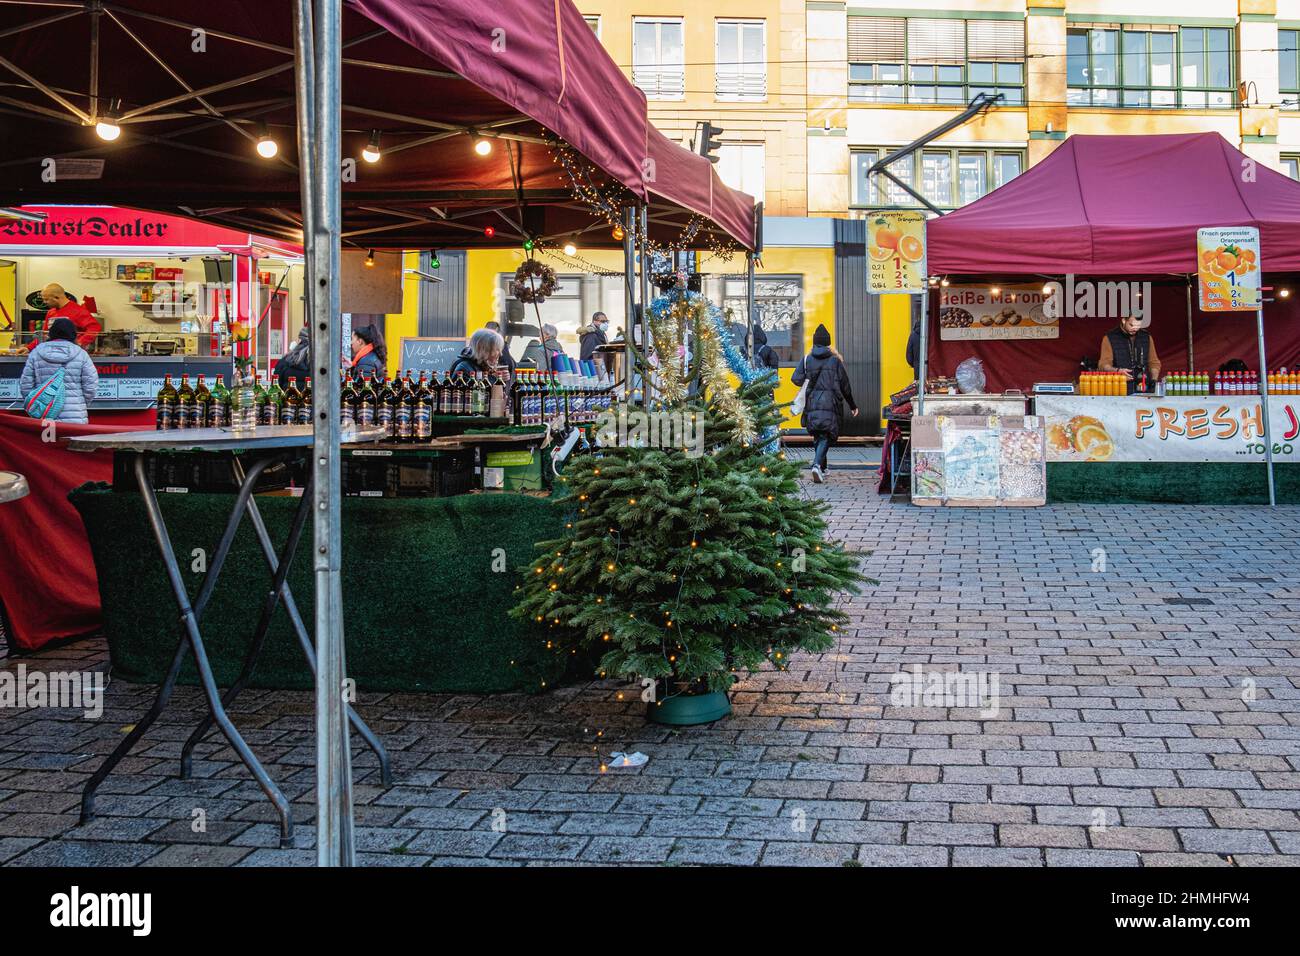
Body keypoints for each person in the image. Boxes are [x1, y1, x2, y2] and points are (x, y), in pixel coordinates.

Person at [791, 324, 858, 484]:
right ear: (828, 343)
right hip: (831, 403)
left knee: (819, 435)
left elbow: (795, 379)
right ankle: (816, 465)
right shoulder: (835, 361)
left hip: (812, 403)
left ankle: (823, 468)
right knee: (825, 436)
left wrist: (809, 375)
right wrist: (853, 405)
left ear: (814, 342)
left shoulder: (807, 359)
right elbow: (845, 386)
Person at [20, 317, 99, 424]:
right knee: (73, 441)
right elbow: (91, 385)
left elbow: (26, 385)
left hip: (43, 415)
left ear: (51, 333)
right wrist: (80, 403)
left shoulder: (36, 352)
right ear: (73, 334)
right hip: (74, 416)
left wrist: (36, 404)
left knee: (46, 441)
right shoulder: (81, 354)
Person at [26, 283, 100, 352]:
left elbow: (94, 327)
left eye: (46, 299)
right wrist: (28, 348)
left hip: (71, 354)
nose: (44, 302)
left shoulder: (78, 311)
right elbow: (44, 336)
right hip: (53, 353)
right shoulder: (51, 312)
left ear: (56, 297)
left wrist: (80, 343)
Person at [1098, 314, 1162, 393]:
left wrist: (1154, 380)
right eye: (1131, 325)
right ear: (1124, 320)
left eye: (1138, 326)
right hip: (1119, 391)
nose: (1135, 329)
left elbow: (1154, 362)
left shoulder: (1146, 337)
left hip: (1143, 390)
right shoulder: (1109, 338)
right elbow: (1103, 365)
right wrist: (1117, 371)